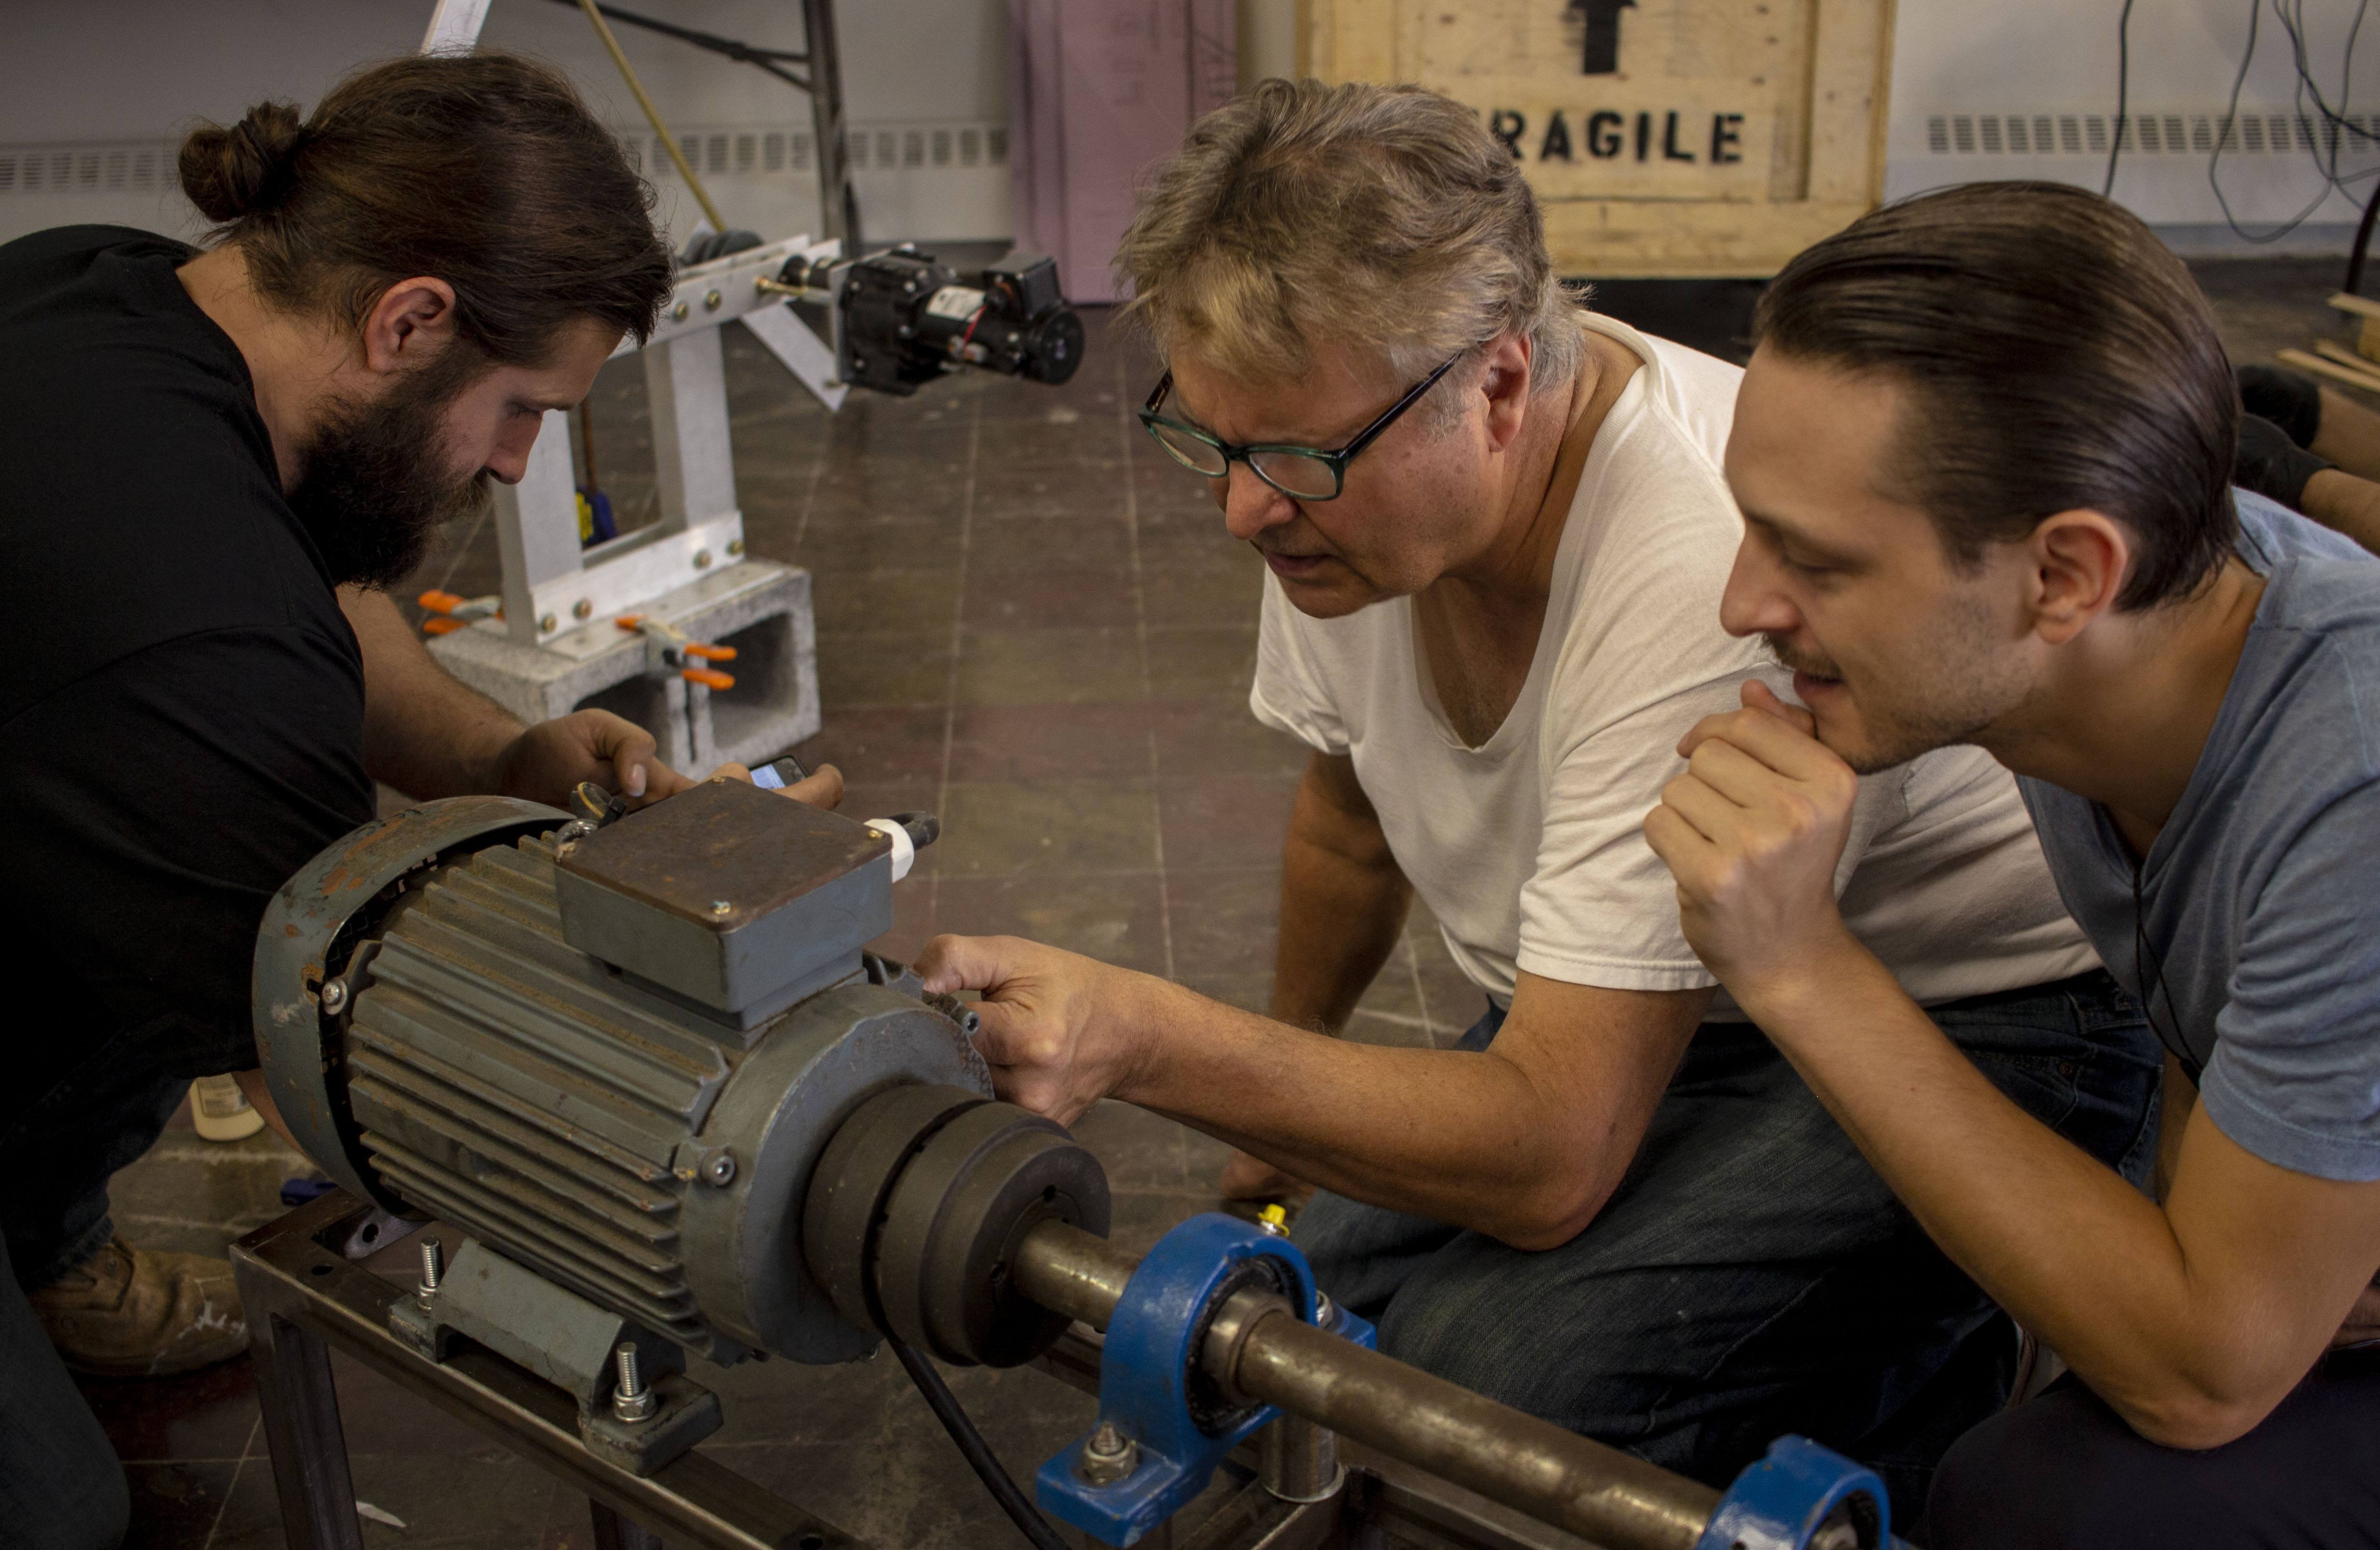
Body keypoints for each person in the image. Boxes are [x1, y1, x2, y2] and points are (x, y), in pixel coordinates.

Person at [913, 81, 2159, 1512]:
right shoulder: (1338, 505)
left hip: (1969, 1014)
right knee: (1302, 1311)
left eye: (1293, 459)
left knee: (1480, 1390)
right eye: (1210, 442)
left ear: (1497, 386)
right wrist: (1272, 1117)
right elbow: (1347, 822)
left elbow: (1552, 1156)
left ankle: (1927, 1372)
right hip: (1660, 992)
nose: (1244, 509)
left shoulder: (1692, 568)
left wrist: (1147, 1038)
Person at [0, 54, 836, 1550]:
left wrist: (501, 758)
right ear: (410, 319)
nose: (518, 467)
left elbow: (321, 576)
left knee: (108, 932)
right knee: (58, 1517)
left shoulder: (118, 288)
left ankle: (38, 1233)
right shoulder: (193, 664)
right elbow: (342, 1045)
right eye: (521, 409)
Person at [1641, 181, 2380, 1547]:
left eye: (1815, 559)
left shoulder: (2353, 770)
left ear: (2061, 576)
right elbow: (2201, 990)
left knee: (2051, 1503)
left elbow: (2203, 1375)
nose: (1743, 603)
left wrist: (1798, 963)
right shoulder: (2117, 655)